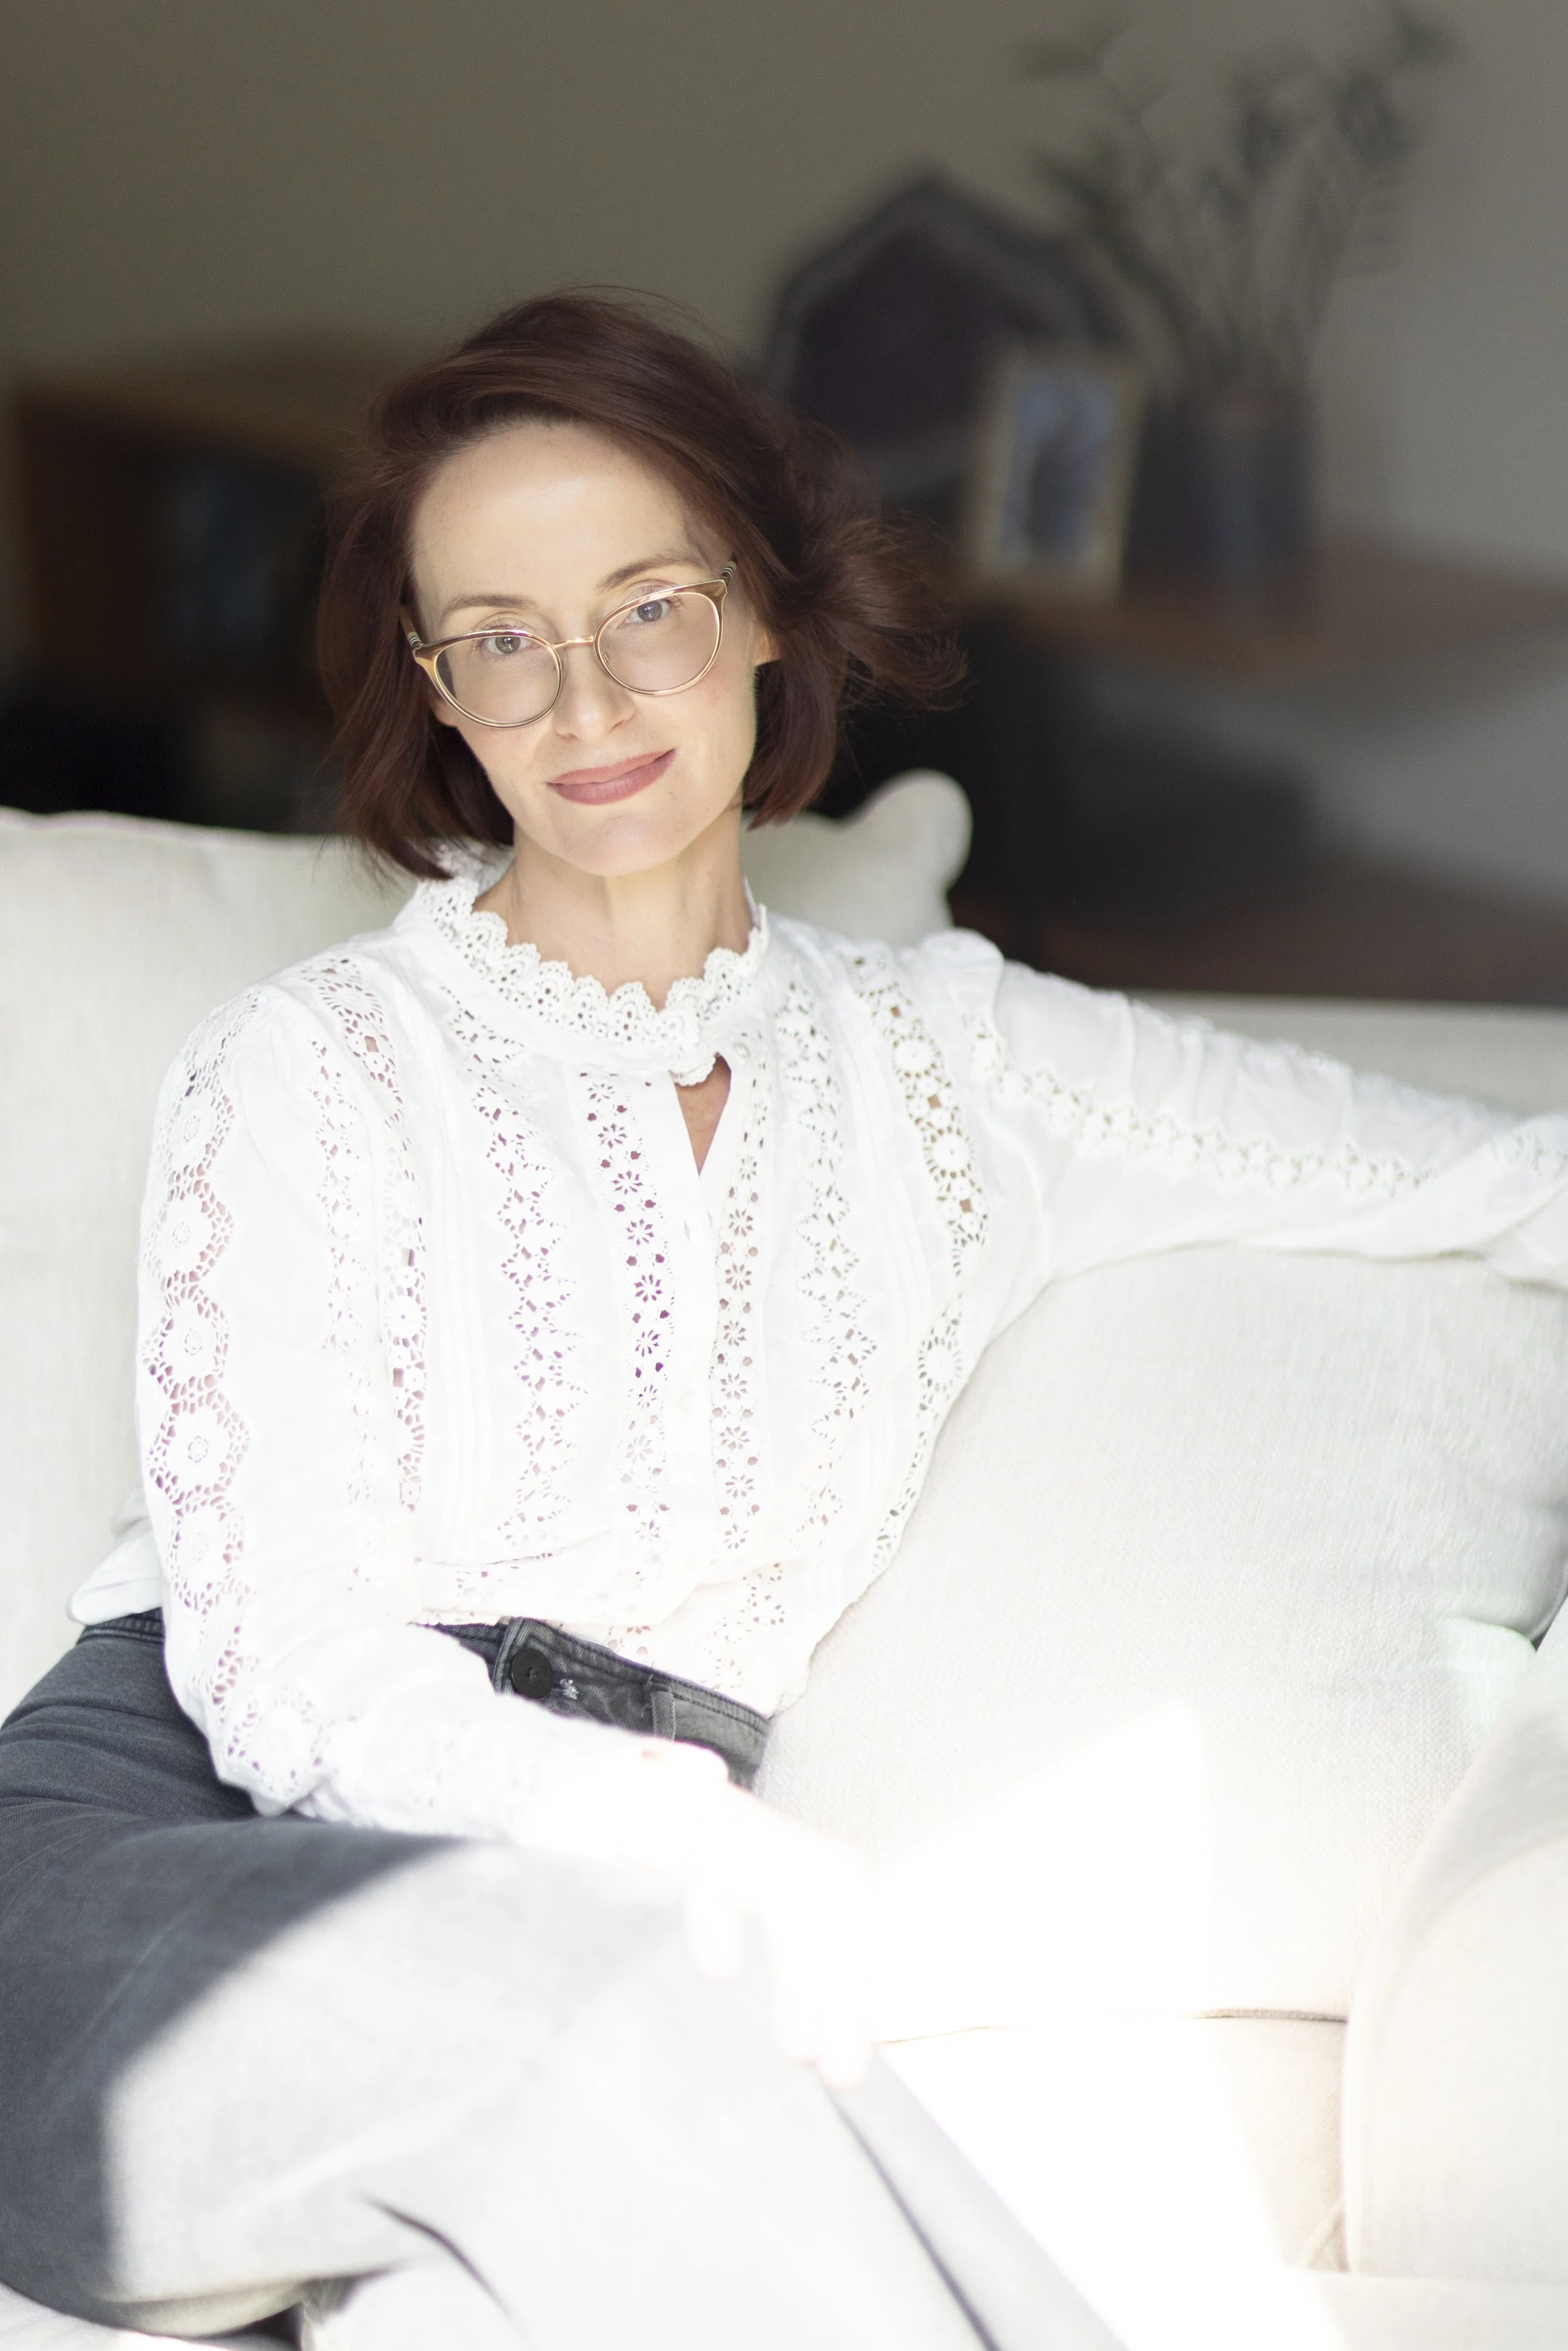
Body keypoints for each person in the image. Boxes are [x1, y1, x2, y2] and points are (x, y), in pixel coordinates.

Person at [3, 293, 1568, 2351]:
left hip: (600, 1957)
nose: (582, 698)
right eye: (499, 637)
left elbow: (1489, 1170)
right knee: (613, 2021)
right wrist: (673, 1843)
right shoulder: (308, 1067)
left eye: (647, 604)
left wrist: (667, 1875)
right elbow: (283, 1670)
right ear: (436, 689)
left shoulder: (971, 1070)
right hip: (147, 1881)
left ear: (759, 600)